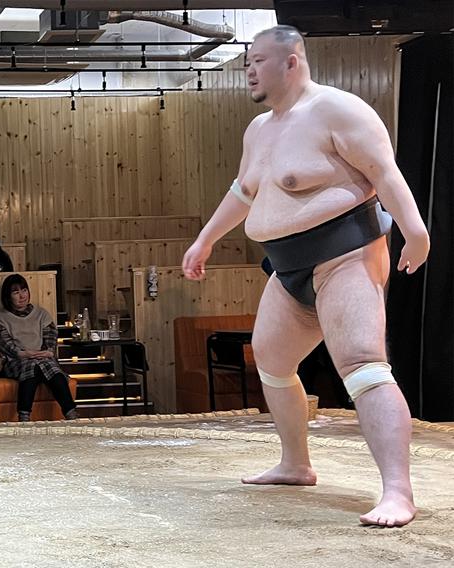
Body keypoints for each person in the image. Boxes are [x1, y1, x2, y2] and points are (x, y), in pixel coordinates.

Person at [181, 25, 429, 528]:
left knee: (362, 364)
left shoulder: (339, 110)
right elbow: (244, 192)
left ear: (292, 61)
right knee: (271, 360)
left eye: (257, 61)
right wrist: (205, 238)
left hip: (346, 254)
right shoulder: (259, 130)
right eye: (246, 62)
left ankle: (398, 492)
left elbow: (385, 173)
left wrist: (416, 231)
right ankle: (296, 463)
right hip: (286, 264)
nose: (248, 70)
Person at [0, 274, 77, 422]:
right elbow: (4, 343)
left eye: (24, 290)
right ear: (8, 296)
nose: (22, 295)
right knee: (31, 368)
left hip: (42, 357)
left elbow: (50, 337)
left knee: (54, 371)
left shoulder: (41, 314)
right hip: (16, 360)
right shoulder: (1, 318)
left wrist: (47, 352)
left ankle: (71, 414)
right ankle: (24, 416)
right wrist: (24, 353)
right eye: (16, 292)